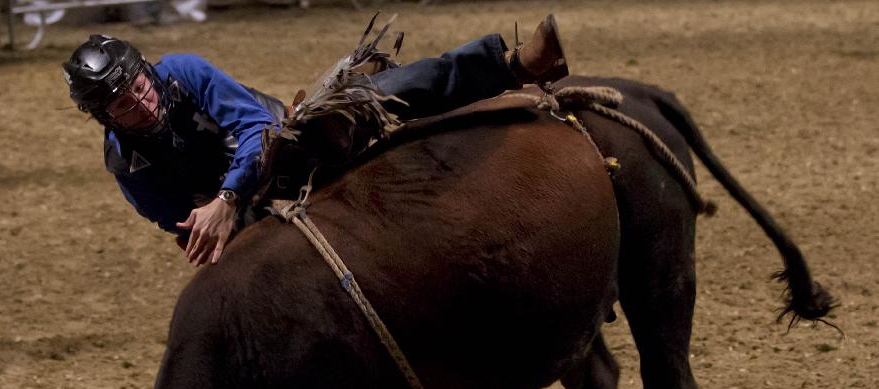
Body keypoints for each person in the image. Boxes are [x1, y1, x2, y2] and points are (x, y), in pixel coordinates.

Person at [63, 17, 568, 267]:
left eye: (138, 85)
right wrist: (216, 230)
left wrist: (226, 197)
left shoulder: (184, 72)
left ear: (146, 71)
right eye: (124, 102)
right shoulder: (129, 166)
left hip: (287, 142)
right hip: (251, 214)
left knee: (365, 97)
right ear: (104, 117)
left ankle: (508, 64)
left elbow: (257, 129)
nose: (142, 101)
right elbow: (184, 225)